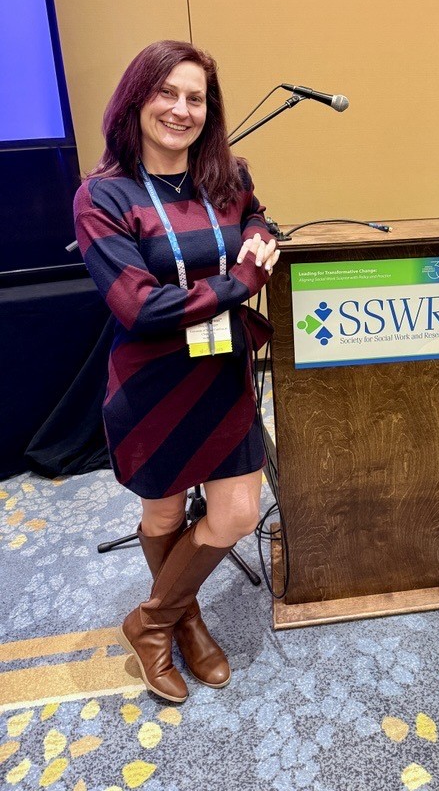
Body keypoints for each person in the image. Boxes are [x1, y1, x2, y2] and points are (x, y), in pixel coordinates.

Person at [74, 40, 280, 703]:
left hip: (222, 373)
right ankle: (185, 620)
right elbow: (139, 307)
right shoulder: (103, 195)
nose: (180, 109)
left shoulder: (227, 175)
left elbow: (255, 218)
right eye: (166, 93)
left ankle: (152, 620)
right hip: (153, 384)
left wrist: (261, 238)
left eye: (195, 98)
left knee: (237, 513)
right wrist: (240, 282)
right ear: (137, 99)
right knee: (163, 515)